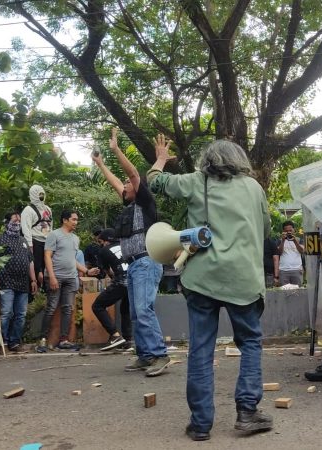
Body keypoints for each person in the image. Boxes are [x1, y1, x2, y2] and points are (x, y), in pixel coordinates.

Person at [148, 136, 274, 441]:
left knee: (201, 350)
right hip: (244, 281)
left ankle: (201, 424)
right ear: (239, 160)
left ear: (208, 161)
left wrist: (162, 158)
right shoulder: (254, 188)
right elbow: (267, 228)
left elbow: (153, 182)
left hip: (202, 281)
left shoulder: (195, 181)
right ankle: (247, 413)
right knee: (251, 343)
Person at [92, 127, 169, 377]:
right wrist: (101, 164)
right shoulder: (128, 204)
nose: (124, 184)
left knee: (144, 309)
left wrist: (116, 150)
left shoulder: (146, 201)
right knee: (136, 313)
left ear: (138, 187)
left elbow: (132, 173)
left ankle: (159, 355)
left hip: (147, 262)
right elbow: (117, 181)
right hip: (134, 265)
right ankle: (145, 355)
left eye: (128, 183)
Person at [38, 210, 99, 352]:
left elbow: (72, 259)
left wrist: (87, 271)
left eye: (77, 220)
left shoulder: (75, 238)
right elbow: (47, 256)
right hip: (56, 277)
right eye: (73, 219)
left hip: (71, 277)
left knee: (68, 308)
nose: (76, 222)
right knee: (51, 307)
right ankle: (43, 340)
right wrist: (52, 276)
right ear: (65, 220)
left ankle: (64, 340)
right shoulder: (54, 235)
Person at [0, 213, 37, 352]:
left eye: (19, 220)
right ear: (7, 222)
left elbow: (30, 261)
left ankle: (15, 342)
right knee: (6, 312)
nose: (17, 222)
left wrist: (33, 280)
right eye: (14, 219)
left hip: (23, 283)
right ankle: (2, 341)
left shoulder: (23, 240)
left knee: (21, 314)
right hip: (5, 282)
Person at [92, 228, 132, 351]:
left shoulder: (104, 250)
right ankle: (127, 340)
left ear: (105, 241)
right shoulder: (127, 246)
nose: (101, 244)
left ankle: (115, 336)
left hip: (121, 282)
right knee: (125, 309)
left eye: (101, 242)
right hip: (134, 281)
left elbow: (106, 271)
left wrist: (110, 277)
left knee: (97, 306)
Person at [21, 184, 53, 287]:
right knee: (35, 268)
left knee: (47, 267)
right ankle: (33, 290)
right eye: (39, 194)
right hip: (35, 242)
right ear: (34, 195)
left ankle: (45, 289)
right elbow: (26, 228)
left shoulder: (48, 209)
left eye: (42, 194)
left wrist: (52, 240)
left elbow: (50, 225)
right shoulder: (28, 210)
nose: (41, 196)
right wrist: (30, 246)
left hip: (47, 242)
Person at [277, 221, 304, 285]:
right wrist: (283, 240)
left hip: (297, 270)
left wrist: (295, 241)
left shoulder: (299, 240)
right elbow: (279, 253)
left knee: (298, 293)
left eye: (290, 230)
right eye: (286, 231)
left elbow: (302, 251)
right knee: (284, 293)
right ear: (283, 231)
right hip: (283, 270)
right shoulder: (280, 241)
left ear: (294, 230)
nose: (289, 232)